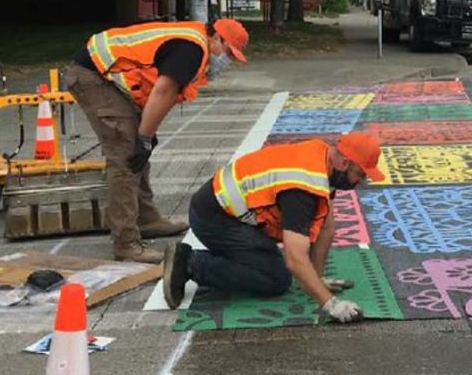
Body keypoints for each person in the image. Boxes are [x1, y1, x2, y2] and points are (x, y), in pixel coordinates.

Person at [65, 18, 249, 263]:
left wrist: (146, 136)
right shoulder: (192, 50)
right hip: (93, 75)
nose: (226, 60)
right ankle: (126, 243)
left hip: (102, 73)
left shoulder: (193, 43)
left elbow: (161, 94)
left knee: (138, 149)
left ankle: (146, 219)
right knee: (126, 156)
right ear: (216, 37)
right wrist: (144, 137)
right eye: (228, 52)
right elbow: (163, 91)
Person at [162, 132, 385, 323]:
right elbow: (294, 259)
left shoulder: (322, 158)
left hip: (226, 211)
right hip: (213, 219)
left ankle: (215, 258)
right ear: (344, 163)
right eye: (360, 174)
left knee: (277, 262)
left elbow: (327, 227)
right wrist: (331, 304)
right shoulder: (302, 188)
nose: (360, 182)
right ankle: (190, 263)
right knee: (275, 278)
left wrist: (317, 280)